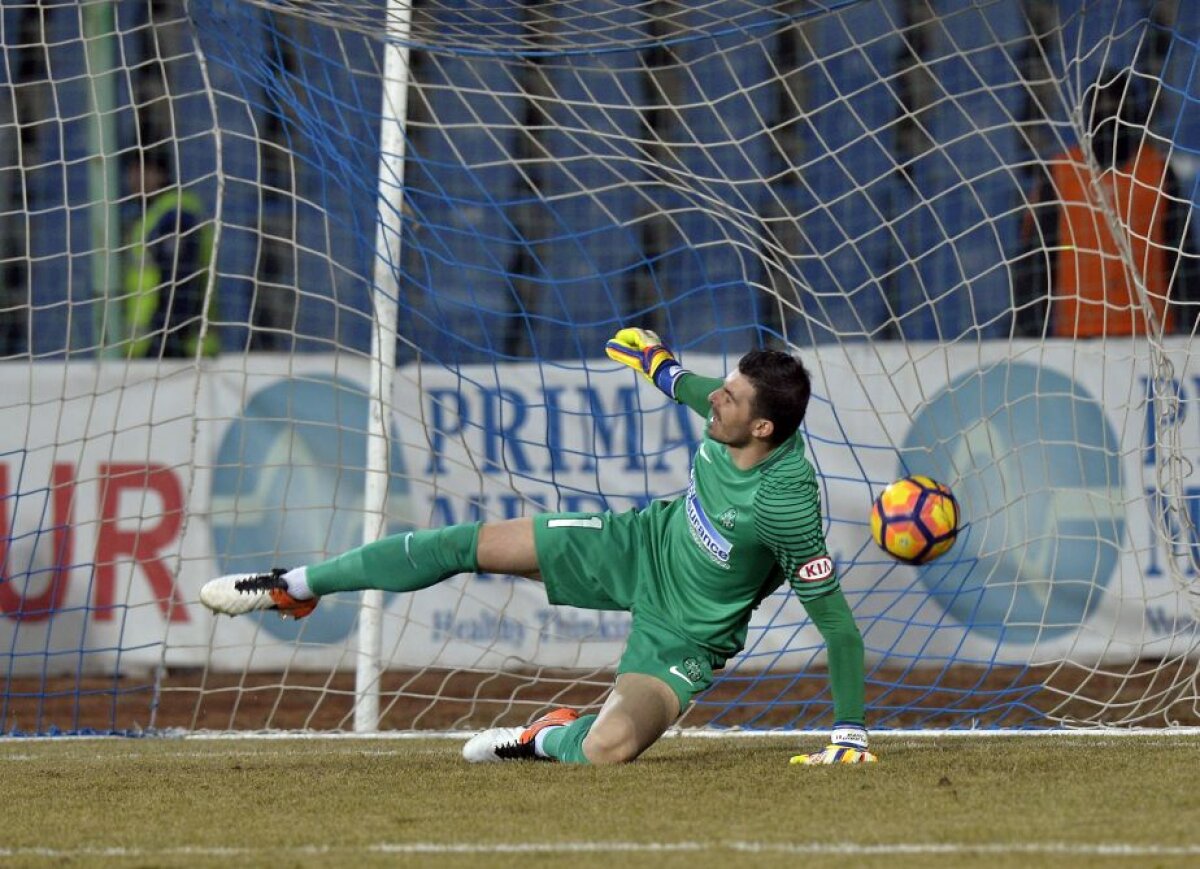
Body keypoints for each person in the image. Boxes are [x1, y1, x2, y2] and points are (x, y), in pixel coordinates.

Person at [199, 328, 874, 766]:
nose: (713, 402)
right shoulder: (731, 412)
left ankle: (544, 735)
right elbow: (689, 386)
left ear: (761, 426)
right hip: (637, 545)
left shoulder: (786, 506)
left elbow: (838, 625)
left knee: (609, 749)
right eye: (720, 389)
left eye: (729, 400)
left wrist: (849, 732)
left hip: (688, 635)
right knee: (468, 544)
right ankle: (298, 583)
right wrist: (657, 363)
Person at [1014, 69, 1197, 338]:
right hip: (1080, 339)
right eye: (1101, 107)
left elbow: (1183, 260)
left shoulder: (1158, 172)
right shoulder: (1060, 173)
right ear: (1087, 116)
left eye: (1117, 107)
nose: (1109, 116)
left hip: (1151, 337)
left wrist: (1193, 328)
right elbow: (1037, 261)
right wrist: (1028, 331)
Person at [119, 147, 218, 358]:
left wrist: (166, 341)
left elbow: (180, 282)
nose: (135, 178)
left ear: (161, 173)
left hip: (176, 351)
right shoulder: (151, 215)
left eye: (143, 170)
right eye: (132, 170)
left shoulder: (176, 217)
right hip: (149, 348)